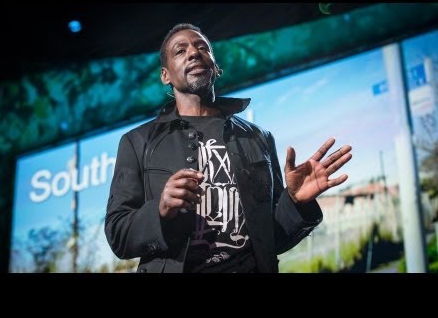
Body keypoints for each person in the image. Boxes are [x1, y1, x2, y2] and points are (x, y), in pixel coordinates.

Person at [105, 23, 353, 273]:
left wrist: (296, 202)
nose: (193, 52)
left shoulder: (258, 137)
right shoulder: (137, 142)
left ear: (216, 67)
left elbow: (273, 239)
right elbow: (118, 235)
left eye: (202, 47)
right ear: (165, 75)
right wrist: (160, 210)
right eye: (180, 51)